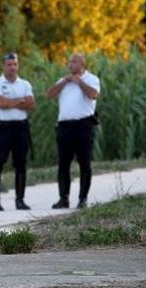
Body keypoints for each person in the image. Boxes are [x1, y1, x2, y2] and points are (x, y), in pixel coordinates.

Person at [46, 53, 100, 209]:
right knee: (63, 163)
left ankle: (82, 198)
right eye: (69, 62)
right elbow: (49, 95)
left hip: (83, 125)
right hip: (64, 127)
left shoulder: (91, 79)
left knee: (84, 163)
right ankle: (63, 198)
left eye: (74, 62)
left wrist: (79, 82)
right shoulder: (64, 81)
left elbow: (94, 94)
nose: (71, 65)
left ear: (82, 63)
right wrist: (63, 82)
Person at [0, 52, 35, 211]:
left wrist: (11, 102)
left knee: (21, 164)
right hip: (2, 128)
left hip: (20, 127)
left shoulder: (25, 84)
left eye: (15, 64)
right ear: (3, 66)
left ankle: (20, 200)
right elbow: (0, 103)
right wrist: (20, 101)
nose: (12, 67)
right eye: (9, 64)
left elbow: (30, 104)